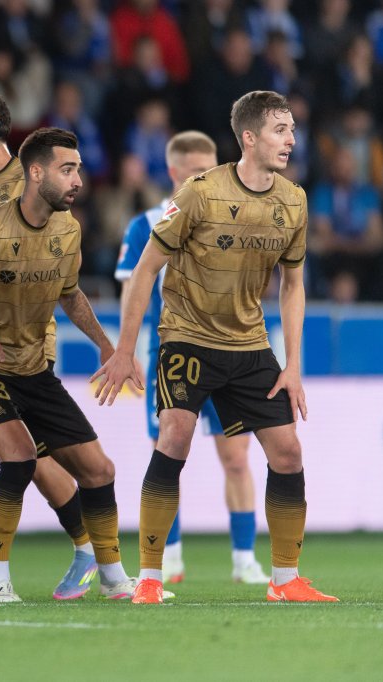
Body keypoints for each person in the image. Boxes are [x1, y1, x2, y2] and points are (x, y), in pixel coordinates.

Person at [93, 90, 339, 603]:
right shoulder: (200, 193)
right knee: (175, 440)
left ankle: (283, 579)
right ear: (248, 138)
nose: (291, 139)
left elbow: (293, 286)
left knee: (288, 452)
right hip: (186, 338)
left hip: (249, 343)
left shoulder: (294, 200)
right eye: (279, 130)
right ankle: (153, 579)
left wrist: (293, 366)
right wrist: (123, 349)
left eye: (292, 130)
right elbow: (144, 270)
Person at [0, 127, 147, 602]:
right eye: (66, 169)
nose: (77, 180)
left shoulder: (68, 228)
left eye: (77, 169)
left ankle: (113, 576)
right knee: (18, 457)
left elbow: (70, 295)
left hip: (33, 369)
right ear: (35, 173)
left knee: (100, 470)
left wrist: (106, 345)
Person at [115, 130, 269, 585]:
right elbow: (131, 289)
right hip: (173, 353)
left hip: (229, 353)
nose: (203, 176)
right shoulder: (146, 221)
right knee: (169, 453)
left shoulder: (235, 215)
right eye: (194, 169)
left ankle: (245, 560)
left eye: (209, 167)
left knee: (238, 459)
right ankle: (170, 557)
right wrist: (126, 349)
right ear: (174, 171)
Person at [0, 96, 98, 602]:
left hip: (23, 350)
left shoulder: (26, 182)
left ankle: (86, 549)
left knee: (26, 457)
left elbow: (64, 284)